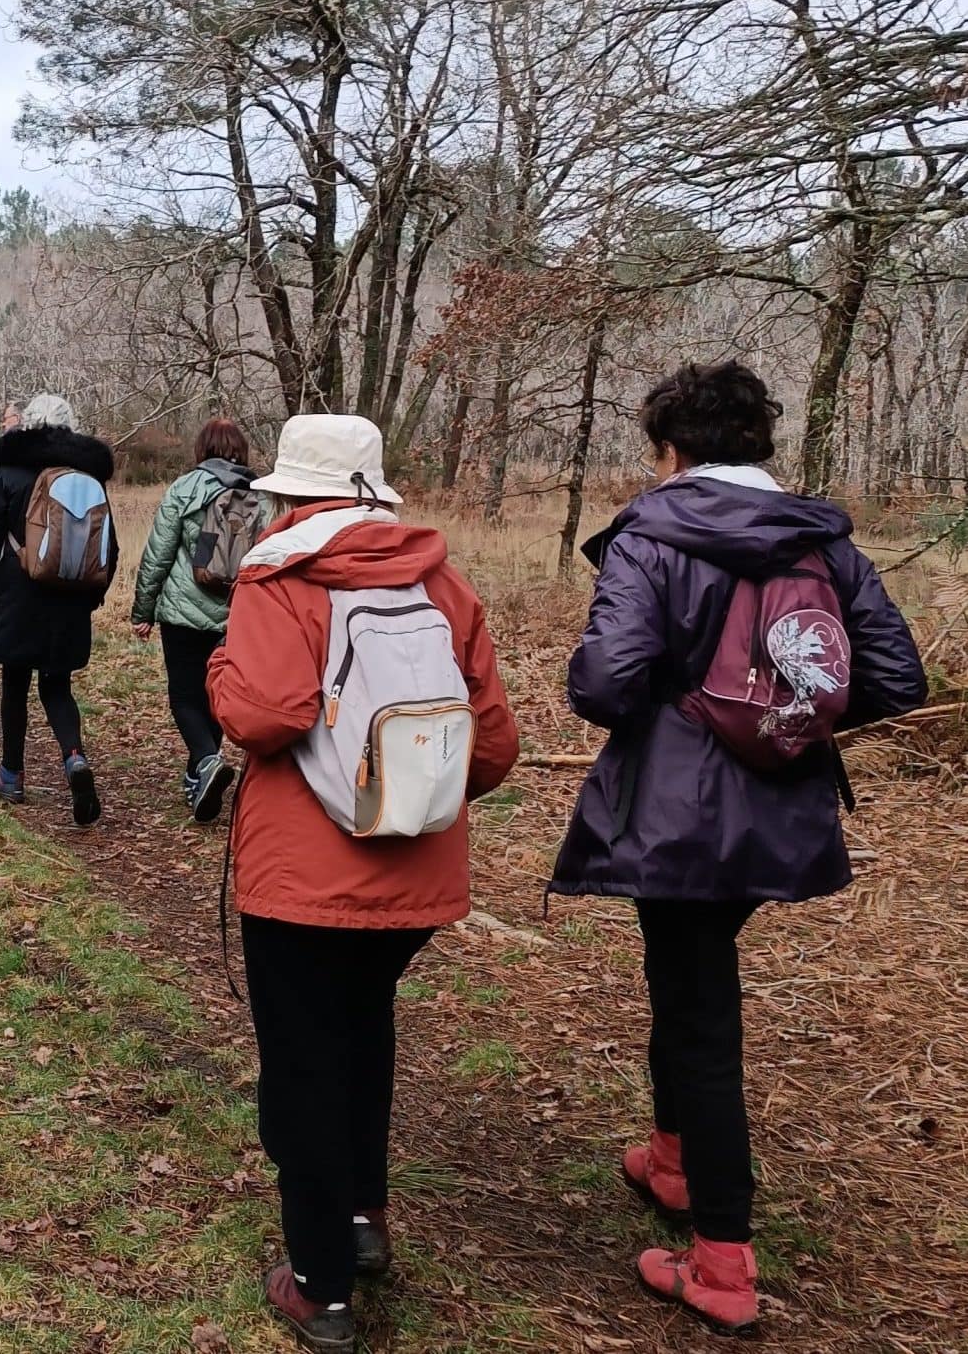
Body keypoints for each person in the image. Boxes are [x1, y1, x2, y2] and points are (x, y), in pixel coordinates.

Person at [549, 361, 926, 1335]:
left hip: (676, 813)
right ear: (760, 444)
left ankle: (720, 1260)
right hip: (781, 810)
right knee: (688, 982)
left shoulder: (650, 534)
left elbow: (605, 682)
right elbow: (895, 677)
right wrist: (784, 720)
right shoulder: (821, 542)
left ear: (671, 448)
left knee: (700, 1014)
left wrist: (684, 708)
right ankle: (671, 1163)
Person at [207, 414, 519, 1353]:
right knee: (362, 1028)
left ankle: (320, 1287)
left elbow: (264, 715)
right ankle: (362, 1218)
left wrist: (220, 668)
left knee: (304, 1058)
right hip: (414, 873)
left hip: (304, 876)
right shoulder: (442, 580)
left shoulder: (278, 577)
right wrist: (414, 801)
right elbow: (493, 747)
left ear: (291, 496)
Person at [0, 393, 116, 827]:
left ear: (27, 422)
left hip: (17, 596)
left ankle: (11, 774)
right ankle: (75, 757)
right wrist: (90, 599)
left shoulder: (8, 472)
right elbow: (109, 548)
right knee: (58, 686)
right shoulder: (87, 475)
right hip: (70, 599)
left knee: (15, 684)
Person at [130, 417, 259, 822]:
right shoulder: (261, 493)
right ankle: (197, 777)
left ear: (202, 449)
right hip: (235, 614)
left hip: (183, 612)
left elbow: (158, 555)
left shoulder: (185, 488)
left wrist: (143, 610)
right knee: (215, 694)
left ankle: (205, 760)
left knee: (185, 696)